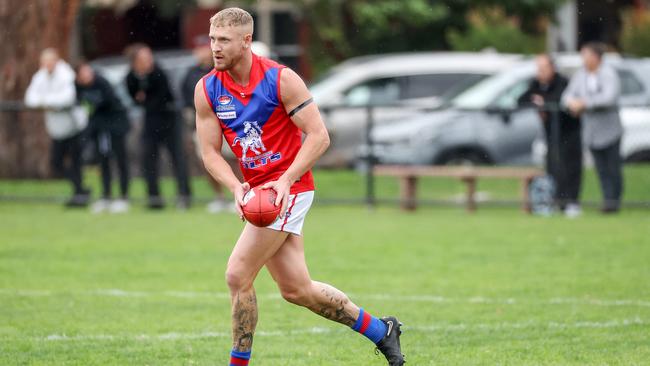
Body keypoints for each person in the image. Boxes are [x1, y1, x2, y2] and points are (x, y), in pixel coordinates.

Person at [194, 8, 404, 366]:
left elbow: (319, 136)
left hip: (291, 187)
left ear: (246, 41)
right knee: (297, 290)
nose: (215, 48)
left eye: (224, 40)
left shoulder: (281, 80)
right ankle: (381, 331)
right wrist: (235, 186)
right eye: (213, 39)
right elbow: (210, 153)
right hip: (258, 192)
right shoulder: (208, 88)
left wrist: (286, 180)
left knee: (237, 273)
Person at [125, 44, 192, 210]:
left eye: (149, 57)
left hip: (169, 119)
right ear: (135, 62)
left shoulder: (158, 72)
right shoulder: (131, 77)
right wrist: (145, 99)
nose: (149, 61)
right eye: (144, 58)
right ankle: (154, 199)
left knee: (177, 158)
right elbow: (135, 99)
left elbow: (161, 98)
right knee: (148, 159)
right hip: (150, 121)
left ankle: (184, 196)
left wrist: (145, 98)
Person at [562, 42, 623, 213]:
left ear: (595, 57)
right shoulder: (581, 75)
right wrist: (572, 103)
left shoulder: (608, 74)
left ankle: (613, 202)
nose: (583, 59)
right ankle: (607, 200)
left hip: (610, 130)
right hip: (591, 131)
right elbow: (567, 95)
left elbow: (608, 98)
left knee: (613, 168)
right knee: (601, 169)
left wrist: (585, 103)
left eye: (585, 55)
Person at [24, 48, 90, 207]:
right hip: (56, 129)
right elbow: (30, 98)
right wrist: (49, 102)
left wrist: (46, 101)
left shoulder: (66, 74)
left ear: (56, 60)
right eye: (43, 62)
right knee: (56, 163)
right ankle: (81, 189)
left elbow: (67, 98)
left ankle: (79, 195)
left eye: (49, 61)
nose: (46, 65)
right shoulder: (40, 76)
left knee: (76, 162)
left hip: (74, 127)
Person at [518, 54, 582, 217]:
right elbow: (521, 99)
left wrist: (543, 102)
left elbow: (561, 101)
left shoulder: (563, 82)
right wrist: (537, 103)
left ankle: (571, 202)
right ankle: (554, 200)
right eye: (538, 68)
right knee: (552, 167)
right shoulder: (536, 83)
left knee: (570, 167)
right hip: (550, 135)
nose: (540, 72)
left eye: (543, 68)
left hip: (568, 132)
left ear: (552, 68)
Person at [181, 35, 236, 213]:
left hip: (227, 121)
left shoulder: (222, 69)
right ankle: (219, 197)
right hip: (202, 123)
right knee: (208, 160)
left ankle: (243, 193)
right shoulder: (191, 73)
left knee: (236, 159)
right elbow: (185, 100)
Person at [75, 61, 131, 213]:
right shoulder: (78, 86)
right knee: (103, 162)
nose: (87, 75)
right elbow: (83, 106)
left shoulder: (102, 82)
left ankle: (123, 197)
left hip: (116, 127)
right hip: (100, 130)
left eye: (88, 71)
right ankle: (106, 196)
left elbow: (109, 102)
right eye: (83, 73)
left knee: (120, 160)